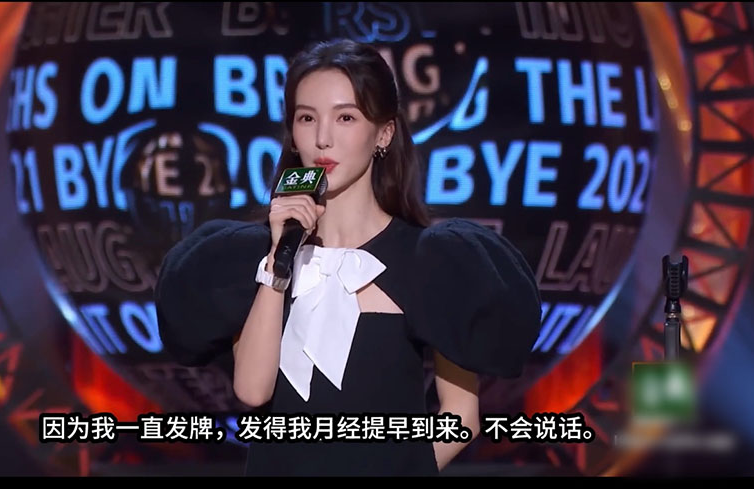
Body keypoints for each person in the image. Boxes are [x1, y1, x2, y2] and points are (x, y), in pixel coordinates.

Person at [154, 39, 542, 476]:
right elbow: (252, 391)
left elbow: (460, 418)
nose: (323, 138)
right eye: (307, 118)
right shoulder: (256, 255)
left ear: (384, 133)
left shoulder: (432, 261)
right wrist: (279, 260)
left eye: (345, 117)